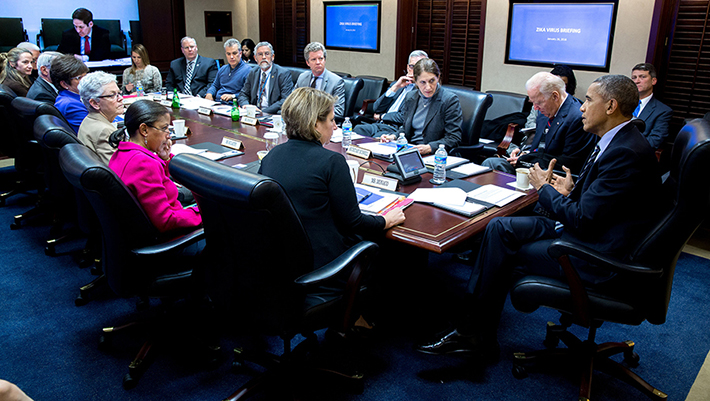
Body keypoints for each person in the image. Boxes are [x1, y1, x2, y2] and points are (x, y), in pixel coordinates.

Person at [416, 75, 661, 361]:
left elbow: (583, 220)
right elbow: (601, 203)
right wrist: (569, 190)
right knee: (499, 227)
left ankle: (473, 332)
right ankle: (472, 326)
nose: (581, 107)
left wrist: (545, 189)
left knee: (506, 248)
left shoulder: (625, 152)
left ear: (610, 106)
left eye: (589, 101)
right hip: (590, 232)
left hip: (594, 255)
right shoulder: (619, 139)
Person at [259, 87, 405, 269]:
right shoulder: (332, 162)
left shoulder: (271, 156)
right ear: (315, 124)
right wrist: (386, 220)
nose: (335, 126)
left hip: (281, 261)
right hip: (325, 263)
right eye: (331, 120)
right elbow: (354, 222)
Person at [108, 100, 202, 234]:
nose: (168, 135)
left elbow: (159, 180)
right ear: (144, 130)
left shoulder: (123, 153)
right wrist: (203, 212)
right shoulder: (143, 164)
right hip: (171, 238)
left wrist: (165, 158)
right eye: (164, 128)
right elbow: (166, 221)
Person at [483, 71, 595, 174]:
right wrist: (524, 153)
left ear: (555, 96)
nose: (535, 108)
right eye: (533, 103)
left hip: (551, 175)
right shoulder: (547, 108)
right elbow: (539, 143)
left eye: (538, 103)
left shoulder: (577, 118)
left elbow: (567, 164)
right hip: (532, 165)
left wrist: (526, 160)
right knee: (491, 163)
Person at [379, 58, 463, 155]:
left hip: (435, 155)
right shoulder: (411, 97)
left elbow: (453, 137)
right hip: (410, 150)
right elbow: (406, 128)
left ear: (438, 77)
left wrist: (429, 148)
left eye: (432, 81)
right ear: (415, 81)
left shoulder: (449, 100)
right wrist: (394, 136)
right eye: (423, 82)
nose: (428, 87)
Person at [354, 50, 428, 138]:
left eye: (419, 68)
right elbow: (376, 108)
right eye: (412, 66)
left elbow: (405, 117)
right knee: (357, 130)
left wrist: (382, 116)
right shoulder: (397, 84)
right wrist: (395, 88)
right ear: (408, 68)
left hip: (396, 129)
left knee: (376, 139)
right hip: (379, 125)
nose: (415, 71)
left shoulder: (424, 91)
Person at [77, 72, 124, 165]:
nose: (121, 98)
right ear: (95, 103)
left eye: (119, 93)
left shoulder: (90, 119)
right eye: (112, 95)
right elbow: (121, 168)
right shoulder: (104, 131)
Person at [237, 41, 294, 114]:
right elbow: (243, 94)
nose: (263, 57)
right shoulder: (253, 72)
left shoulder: (283, 74)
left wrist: (262, 112)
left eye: (267, 54)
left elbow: (285, 100)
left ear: (272, 57)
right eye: (260, 54)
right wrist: (247, 106)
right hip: (253, 113)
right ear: (255, 58)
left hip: (271, 114)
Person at [294, 42, 345, 118]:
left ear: (324, 60)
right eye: (314, 59)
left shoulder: (336, 82)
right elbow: (293, 102)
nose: (318, 62)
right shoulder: (302, 77)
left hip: (323, 123)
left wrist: (312, 115)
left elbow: (338, 111)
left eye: (320, 58)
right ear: (307, 63)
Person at [631, 63, 673, 149]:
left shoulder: (663, 111)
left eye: (642, 77)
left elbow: (655, 141)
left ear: (653, 81)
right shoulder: (621, 103)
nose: (637, 81)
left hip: (637, 154)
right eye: (634, 78)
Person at [525, 65, 578, 129]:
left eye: (562, 85)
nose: (558, 88)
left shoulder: (573, 110)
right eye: (555, 85)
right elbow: (530, 122)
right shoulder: (540, 102)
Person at [51, 54, 89, 133]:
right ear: (64, 84)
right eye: (79, 78)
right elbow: (92, 131)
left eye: (85, 75)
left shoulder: (69, 96)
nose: (85, 80)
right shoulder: (71, 105)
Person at [205, 38, 251, 103]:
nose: (231, 57)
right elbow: (215, 85)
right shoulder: (223, 69)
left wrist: (232, 96)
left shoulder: (248, 71)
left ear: (240, 53)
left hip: (233, 105)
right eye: (228, 54)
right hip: (217, 103)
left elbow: (247, 94)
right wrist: (209, 93)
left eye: (234, 53)